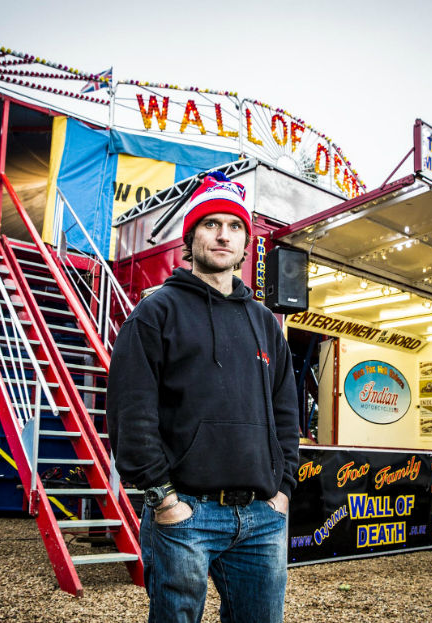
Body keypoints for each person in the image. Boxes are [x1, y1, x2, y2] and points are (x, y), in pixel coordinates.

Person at [107, 171, 300, 623]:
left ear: (246, 245)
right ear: (190, 237)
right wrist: (163, 499)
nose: (223, 235)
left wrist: (284, 491)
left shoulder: (266, 322)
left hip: (262, 518)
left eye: (234, 227)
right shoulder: (155, 313)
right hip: (186, 514)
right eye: (211, 224)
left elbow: (286, 412)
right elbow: (131, 413)